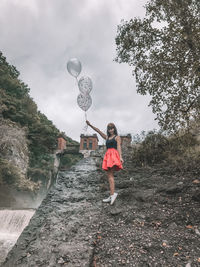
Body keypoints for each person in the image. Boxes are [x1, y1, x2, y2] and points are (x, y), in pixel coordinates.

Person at [86, 120, 124, 205]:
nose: (111, 130)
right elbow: (98, 130)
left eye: (112, 128)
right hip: (108, 155)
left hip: (113, 155)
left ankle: (113, 194)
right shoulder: (107, 137)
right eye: (109, 129)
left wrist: (120, 157)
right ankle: (112, 194)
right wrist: (90, 124)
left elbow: (119, 147)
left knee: (110, 175)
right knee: (109, 175)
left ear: (114, 129)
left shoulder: (117, 137)